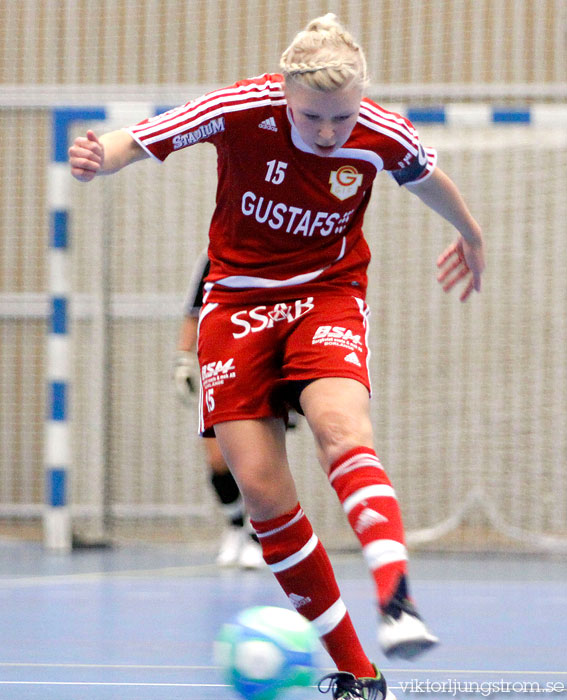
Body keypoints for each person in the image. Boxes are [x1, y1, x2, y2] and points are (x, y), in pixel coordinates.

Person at [69, 13, 485, 700]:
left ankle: (397, 597)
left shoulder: (380, 131)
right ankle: (357, 672)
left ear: (360, 103)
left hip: (326, 295)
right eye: (312, 117)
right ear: (284, 95)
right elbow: (141, 139)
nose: (327, 133)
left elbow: (427, 176)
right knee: (263, 495)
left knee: (341, 430)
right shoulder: (240, 108)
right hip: (234, 307)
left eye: (341, 119)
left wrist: (469, 234)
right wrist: (98, 158)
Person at [174, 249, 264, 569]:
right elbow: (193, 309)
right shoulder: (216, 253)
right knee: (217, 459)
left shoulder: (278, 250)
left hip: (261, 365)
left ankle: (257, 535)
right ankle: (235, 524)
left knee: (257, 458)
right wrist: (183, 360)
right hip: (221, 365)